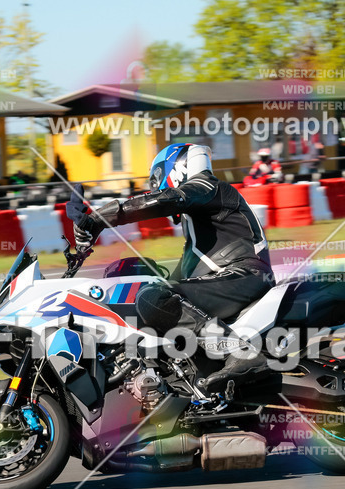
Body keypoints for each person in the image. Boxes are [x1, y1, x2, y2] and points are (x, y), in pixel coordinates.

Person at [67, 143, 274, 387]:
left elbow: (169, 199)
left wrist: (100, 218)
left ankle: (239, 353)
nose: (156, 185)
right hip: (231, 278)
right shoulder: (200, 224)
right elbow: (181, 277)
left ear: (177, 167)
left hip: (244, 275)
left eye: (157, 177)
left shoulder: (209, 187)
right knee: (153, 297)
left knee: (153, 297)